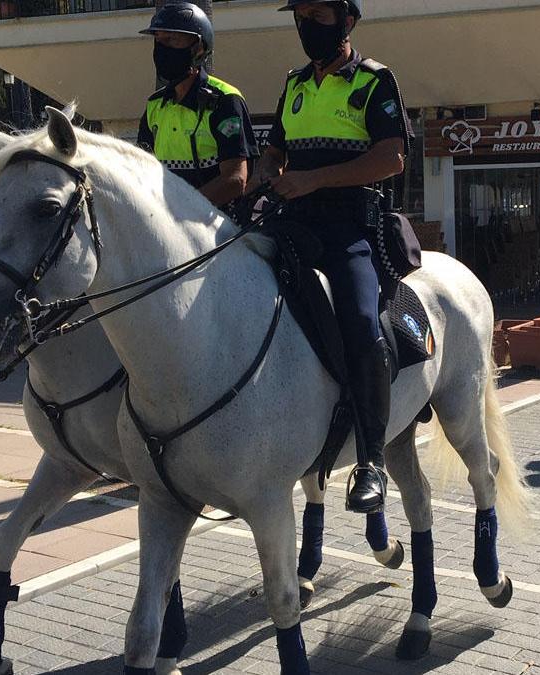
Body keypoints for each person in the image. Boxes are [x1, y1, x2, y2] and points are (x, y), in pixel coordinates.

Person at [252, 0, 412, 514]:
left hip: (347, 228)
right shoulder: (295, 84)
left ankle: (371, 461)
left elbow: (391, 158)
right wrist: (266, 175)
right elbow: (274, 151)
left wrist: (313, 178)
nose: (307, 25)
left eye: (319, 15)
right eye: (301, 16)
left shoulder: (374, 81)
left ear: (347, 21)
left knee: (363, 323)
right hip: (290, 220)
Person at [137, 1, 257, 208]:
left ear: (199, 49)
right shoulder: (154, 106)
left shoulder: (224, 100)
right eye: (159, 41)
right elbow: (141, 173)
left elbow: (236, 179)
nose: (162, 49)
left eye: (172, 40)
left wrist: (182, 209)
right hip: (166, 228)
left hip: (219, 227)